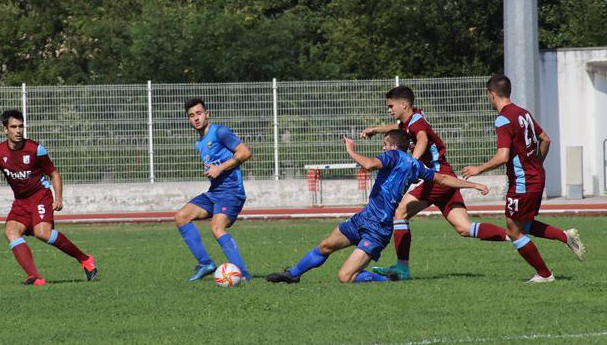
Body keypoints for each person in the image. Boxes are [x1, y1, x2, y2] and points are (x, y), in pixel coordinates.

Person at [266, 130, 490, 284]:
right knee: (326, 245)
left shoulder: (393, 155)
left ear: (392, 146)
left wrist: (351, 150)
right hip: (364, 217)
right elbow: (442, 179)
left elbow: (369, 164)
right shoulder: (415, 165)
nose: (382, 148)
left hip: (378, 229)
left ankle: (388, 279)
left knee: (345, 277)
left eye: (384, 144)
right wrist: (474, 184)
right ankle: (293, 275)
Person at [359, 86, 508, 280]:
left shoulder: (417, 124)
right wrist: (376, 130)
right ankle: (515, 236)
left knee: (399, 213)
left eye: (391, 106)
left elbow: (422, 138)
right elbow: (399, 128)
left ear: (403, 104)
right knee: (464, 228)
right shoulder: (412, 119)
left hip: (437, 177)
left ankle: (402, 268)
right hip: (445, 177)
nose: (389, 110)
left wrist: (412, 161)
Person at [461, 75, 585, 283]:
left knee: (514, 230)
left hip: (523, 182)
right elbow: (545, 139)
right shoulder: (523, 113)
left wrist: (478, 169)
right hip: (535, 177)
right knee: (523, 226)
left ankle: (544, 274)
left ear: (491, 94)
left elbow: (503, 155)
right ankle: (565, 236)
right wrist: (536, 163)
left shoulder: (503, 119)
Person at [0, 110, 97, 286]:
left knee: (42, 233)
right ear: (5, 130)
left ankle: (85, 259)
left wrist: (59, 198)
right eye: (13, 127)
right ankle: (35, 277)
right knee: (11, 231)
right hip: (21, 201)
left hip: (40, 196)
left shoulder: (35, 149)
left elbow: (54, 174)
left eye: (20, 126)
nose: (18, 130)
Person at [174, 98, 253, 282]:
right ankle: (205, 264)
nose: (196, 118)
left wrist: (220, 168)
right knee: (181, 217)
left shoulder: (221, 132)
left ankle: (243, 273)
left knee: (217, 228)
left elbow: (245, 152)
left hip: (232, 191)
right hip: (215, 192)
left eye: (199, 113)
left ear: (207, 114)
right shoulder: (199, 143)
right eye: (191, 115)